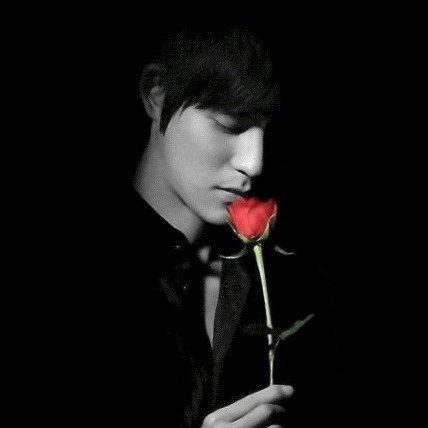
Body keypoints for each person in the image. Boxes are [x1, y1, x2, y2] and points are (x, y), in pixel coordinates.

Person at [98, 22, 338, 427]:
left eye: (266, 129)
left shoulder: (295, 283)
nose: (254, 163)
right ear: (157, 95)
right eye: (230, 124)